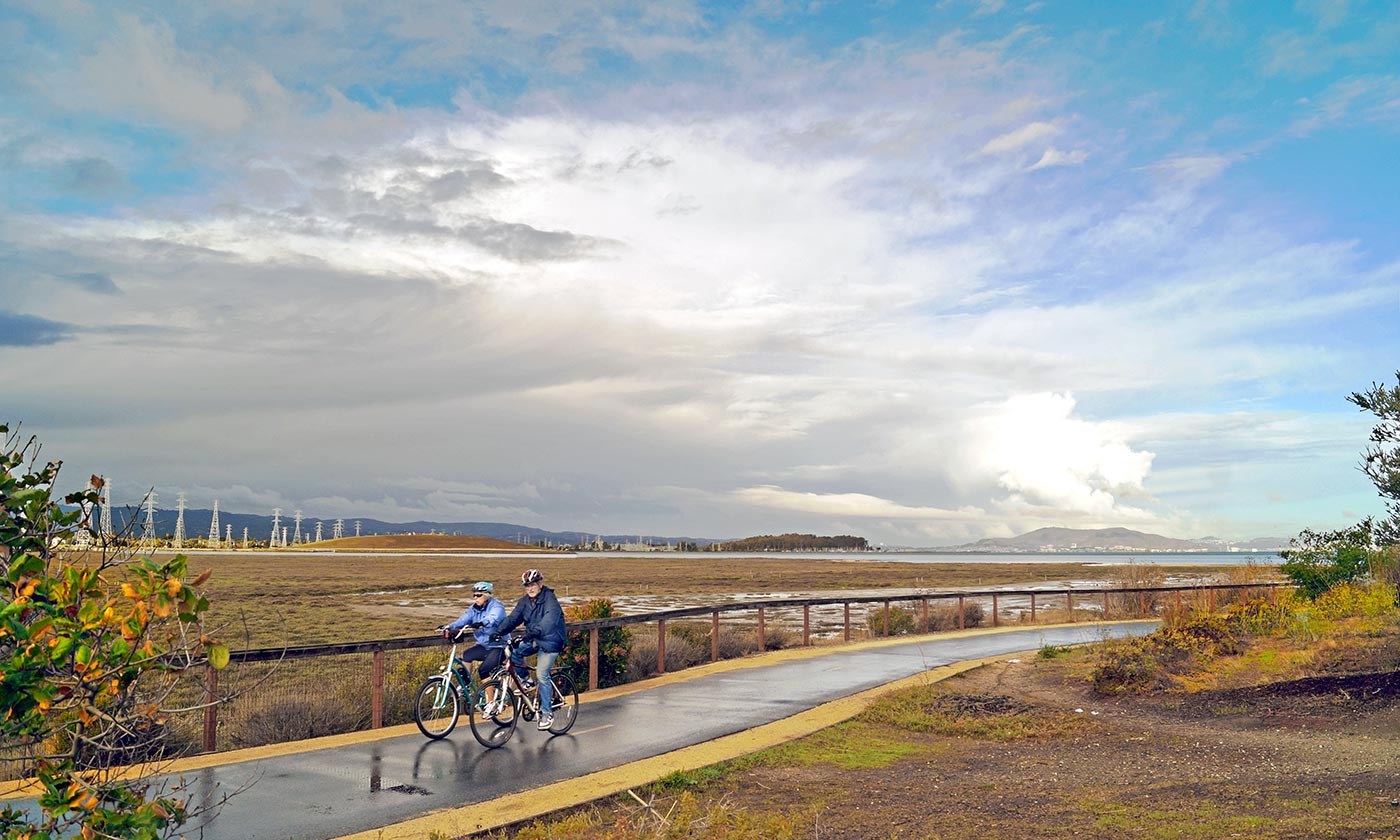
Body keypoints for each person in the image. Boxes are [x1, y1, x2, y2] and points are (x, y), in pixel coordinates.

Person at [496, 568, 567, 729]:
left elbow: (549, 620)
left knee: (542, 674)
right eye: (526, 585)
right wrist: (498, 632)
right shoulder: (524, 602)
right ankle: (526, 680)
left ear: (540, 584)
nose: (530, 588)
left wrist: (534, 631)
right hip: (535, 638)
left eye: (533, 584)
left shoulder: (550, 599)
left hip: (552, 641)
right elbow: (513, 618)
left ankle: (547, 714)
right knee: (513, 652)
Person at [439, 581, 507, 696]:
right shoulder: (473, 609)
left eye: (478, 595)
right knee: (467, 655)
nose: (475, 598)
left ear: (487, 595)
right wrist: (448, 626)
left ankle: (490, 702)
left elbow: (493, 618)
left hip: (498, 646)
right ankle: (465, 687)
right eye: (474, 595)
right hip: (484, 646)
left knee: (483, 670)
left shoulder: (497, 606)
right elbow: (463, 620)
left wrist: (481, 623)